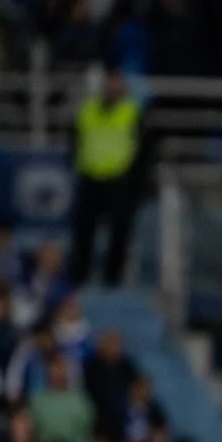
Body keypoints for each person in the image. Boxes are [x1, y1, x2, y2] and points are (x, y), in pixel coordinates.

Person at [68, 69, 145, 285]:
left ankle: (112, 278)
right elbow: (74, 140)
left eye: (117, 86)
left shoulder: (132, 113)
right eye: (110, 85)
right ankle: (79, 276)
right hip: (90, 178)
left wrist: (136, 182)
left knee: (119, 233)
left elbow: (143, 151)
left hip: (118, 181)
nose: (113, 90)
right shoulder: (87, 111)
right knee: (84, 232)